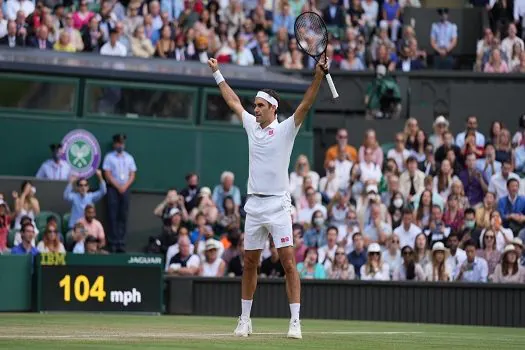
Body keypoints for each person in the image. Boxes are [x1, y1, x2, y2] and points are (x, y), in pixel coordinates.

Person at [208, 55, 327, 339]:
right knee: (250, 262)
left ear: (273, 108)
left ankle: (295, 322)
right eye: (255, 106)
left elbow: (306, 103)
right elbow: (233, 101)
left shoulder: (287, 129)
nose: (255, 109)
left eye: (260, 106)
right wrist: (217, 73)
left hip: (278, 204)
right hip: (255, 205)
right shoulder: (251, 125)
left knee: (288, 262)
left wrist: (319, 76)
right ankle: (245, 319)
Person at [102, 133, 137, 253]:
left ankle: (121, 243)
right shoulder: (109, 157)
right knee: (112, 215)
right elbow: (107, 173)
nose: (120, 145)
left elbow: (132, 174)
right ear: (114, 144)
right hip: (113, 188)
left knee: (123, 215)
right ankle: (112, 242)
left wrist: (125, 186)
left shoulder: (129, 158)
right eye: (118, 143)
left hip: (125, 188)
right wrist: (118, 186)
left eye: (122, 143)